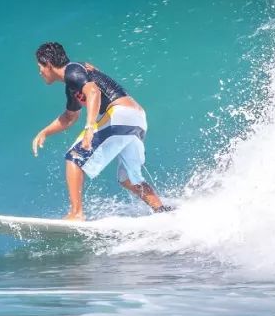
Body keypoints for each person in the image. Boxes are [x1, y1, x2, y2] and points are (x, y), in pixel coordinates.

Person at [31, 42, 170, 220]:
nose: (40, 72)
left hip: (120, 114)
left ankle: (76, 214)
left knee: (74, 157)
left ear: (48, 64)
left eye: (40, 67)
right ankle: (162, 212)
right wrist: (44, 132)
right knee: (128, 178)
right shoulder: (74, 81)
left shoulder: (72, 71)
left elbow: (93, 92)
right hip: (136, 118)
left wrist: (90, 126)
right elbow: (70, 117)